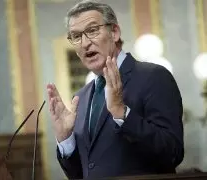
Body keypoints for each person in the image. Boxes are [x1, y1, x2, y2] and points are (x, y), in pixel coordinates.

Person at [46, 0, 184, 179]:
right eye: (76, 36)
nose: (85, 43)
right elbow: (82, 173)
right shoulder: (80, 97)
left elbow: (172, 153)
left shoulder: (154, 77)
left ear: (115, 32)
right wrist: (66, 139)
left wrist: (122, 113)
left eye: (92, 30)